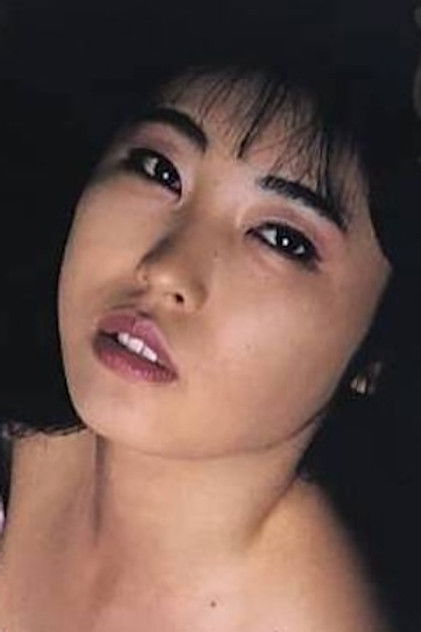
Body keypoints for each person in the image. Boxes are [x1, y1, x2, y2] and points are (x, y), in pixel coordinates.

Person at [0, 3, 420, 630]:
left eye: (282, 239)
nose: (167, 270)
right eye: (159, 169)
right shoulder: (29, 427)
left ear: (379, 346)